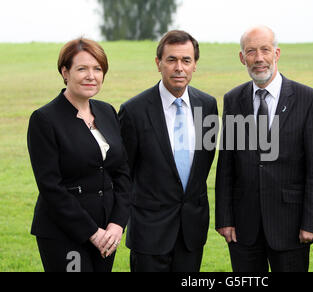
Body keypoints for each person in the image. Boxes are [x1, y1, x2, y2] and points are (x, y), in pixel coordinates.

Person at [215, 26, 313, 272]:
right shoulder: (233, 99)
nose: (258, 58)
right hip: (243, 229)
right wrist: (225, 219)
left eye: (265, 50)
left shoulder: (308, 99)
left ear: (277, 53)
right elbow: (227, 164)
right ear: (242, 57)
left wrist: (312, 221)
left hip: (291, 225)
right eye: (251, 51)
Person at [27, 38, 131, 272]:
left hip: (107, 231)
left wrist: (117, 224)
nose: (91, 76)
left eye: (98, 69)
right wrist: (92, 233)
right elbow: (50, 186)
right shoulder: (44, 119)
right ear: (65, 72)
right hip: (63, 233)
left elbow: (122, 172)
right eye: (82, 68)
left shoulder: (107, 111)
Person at [119, 30, 218, 272]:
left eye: (186, 60)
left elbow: (204, 164)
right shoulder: (133, 111)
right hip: (149, 234)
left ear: (195, 65)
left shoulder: (207, 106)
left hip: (191, 232)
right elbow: (123, 174)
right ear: (158, 63)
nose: (179, 68)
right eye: (171, 60)